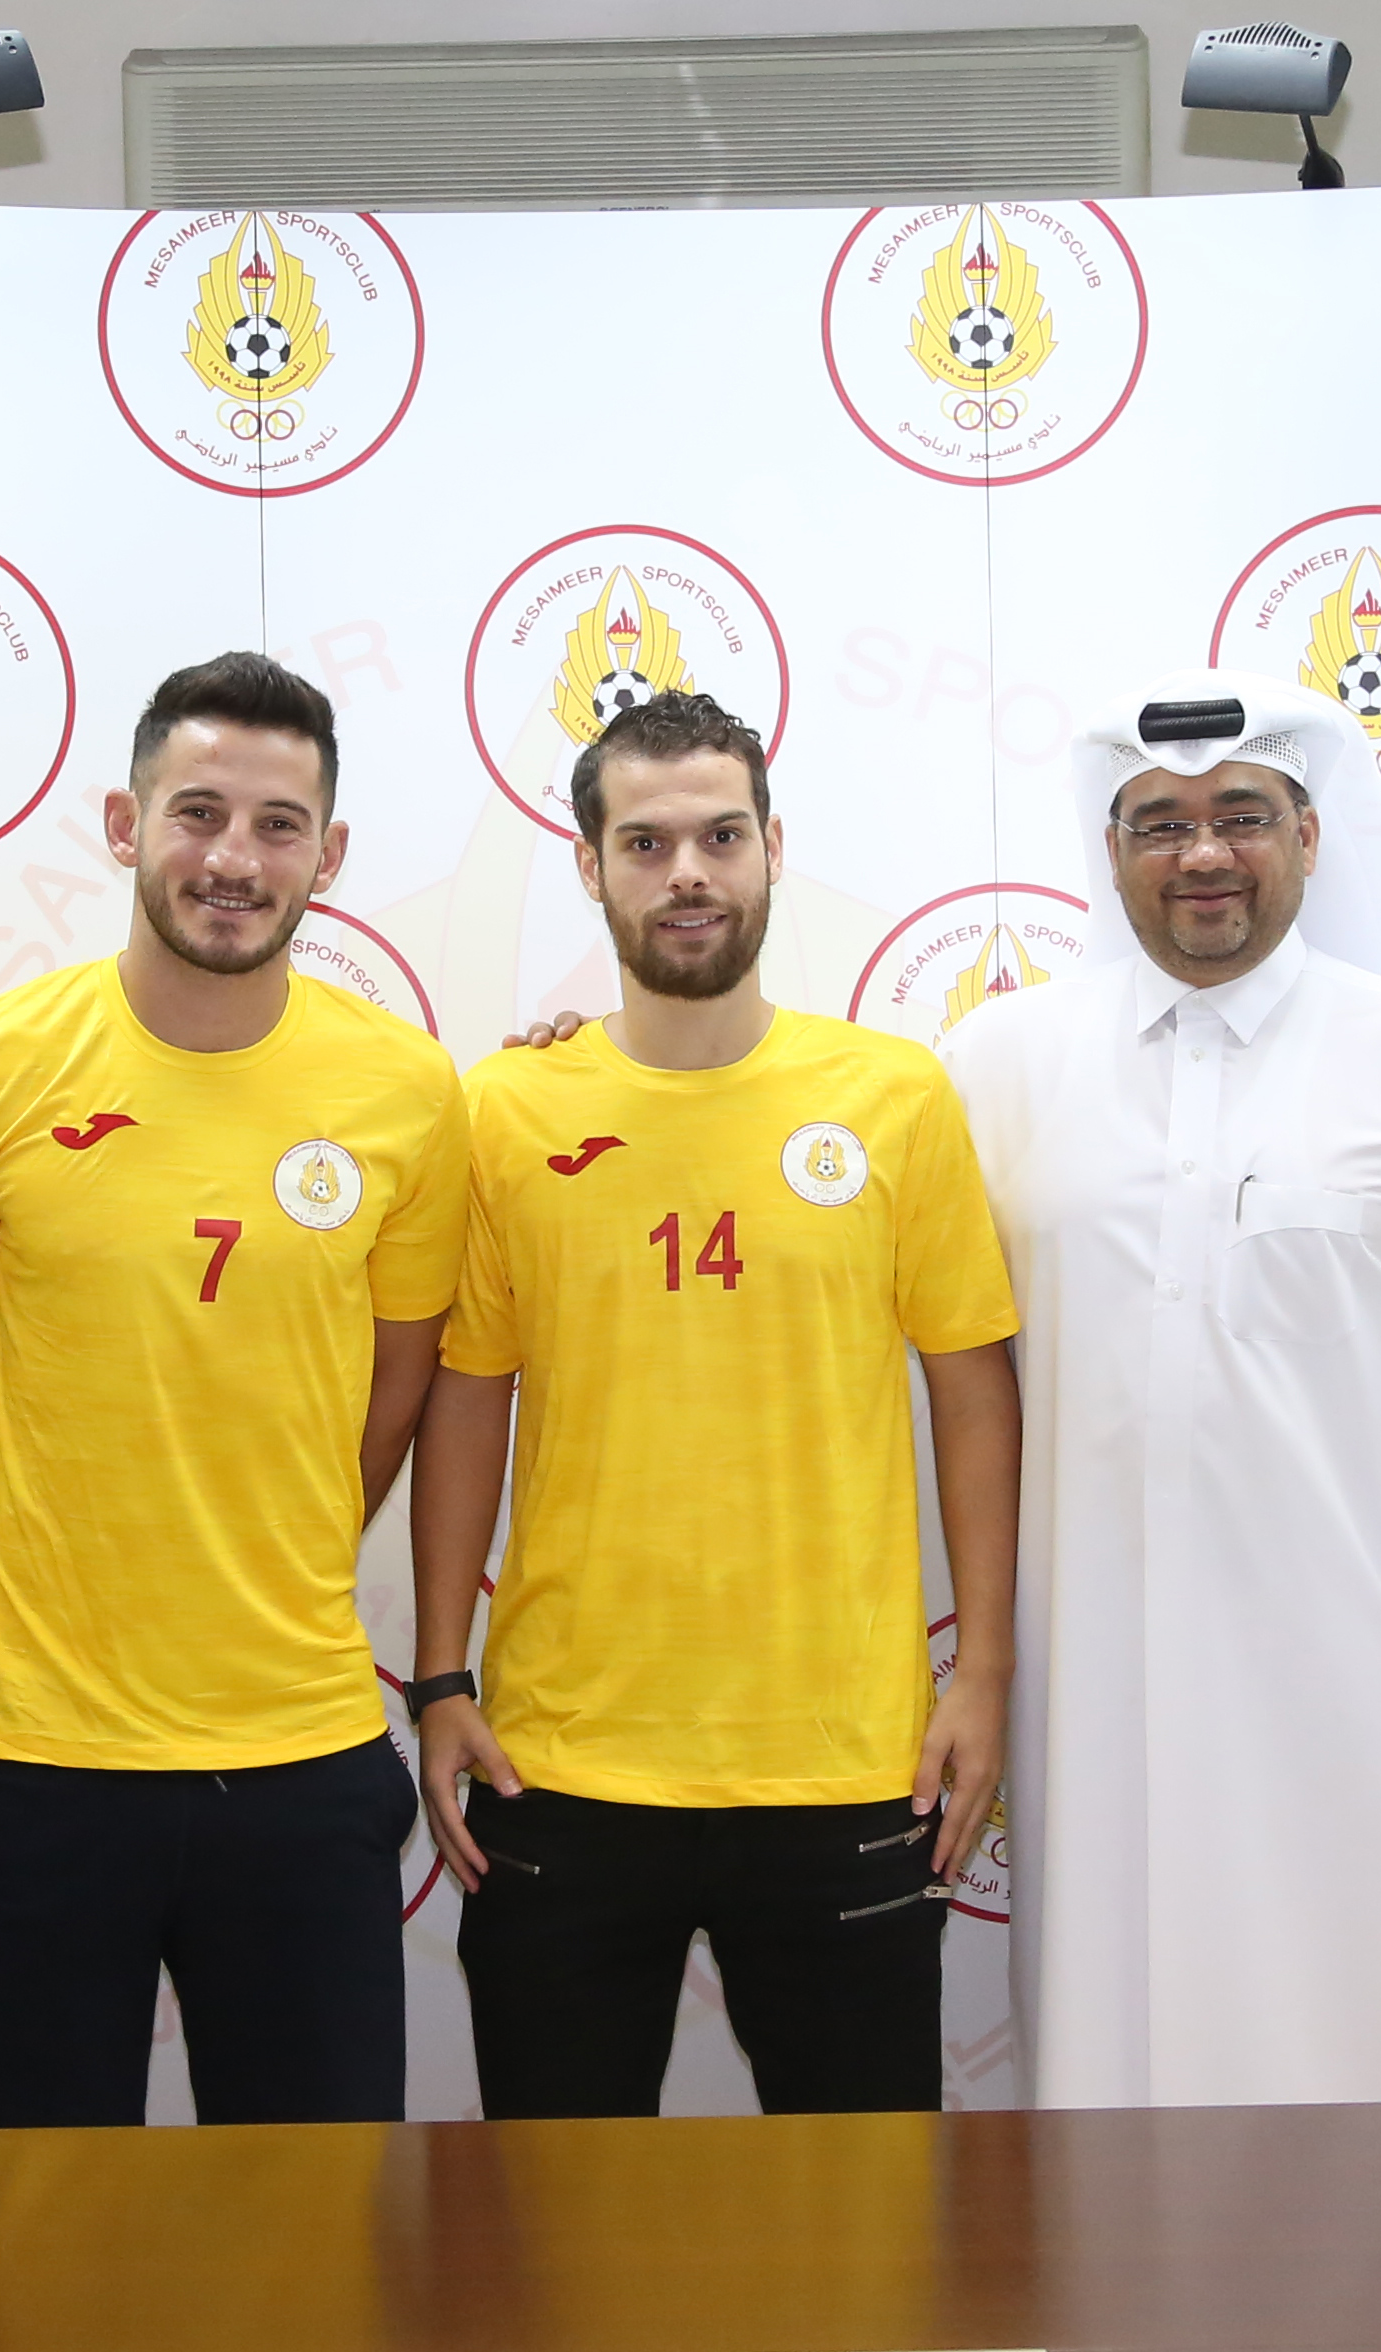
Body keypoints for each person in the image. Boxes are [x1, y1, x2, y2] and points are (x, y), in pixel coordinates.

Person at [934, 671, 1381, 2109]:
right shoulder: (996, 1067)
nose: (1204, 854)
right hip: (1101, 1702)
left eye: (1242, 815)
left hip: (1375, 1690)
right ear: (1110, 851)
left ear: (1309, 835)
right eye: (1160, 824)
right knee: (1123, 2081)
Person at [406, 690, 1024, 2118]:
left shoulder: (894, 1096)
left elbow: (973, 1391)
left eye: (720, 837)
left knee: (868, 2221)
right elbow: (466, 1398)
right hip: (561, 1768)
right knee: (553, 2219)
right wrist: (439, 1679)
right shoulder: (506, 1111)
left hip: (844, 1768)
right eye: (645, 843)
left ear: (772, 849)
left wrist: (983, 1671)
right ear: (589, 865)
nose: (687, 872)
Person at [0, 651, 463, 2127]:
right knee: (25, 2219)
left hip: (303, 1754)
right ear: (122, 823)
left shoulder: (409, 1093)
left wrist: (271, 1540)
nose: (234, 858)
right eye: (198, 812)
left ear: (329, 856)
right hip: (38, 1756)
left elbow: (394, 1393)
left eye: (280, 825)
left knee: (314, 2223)